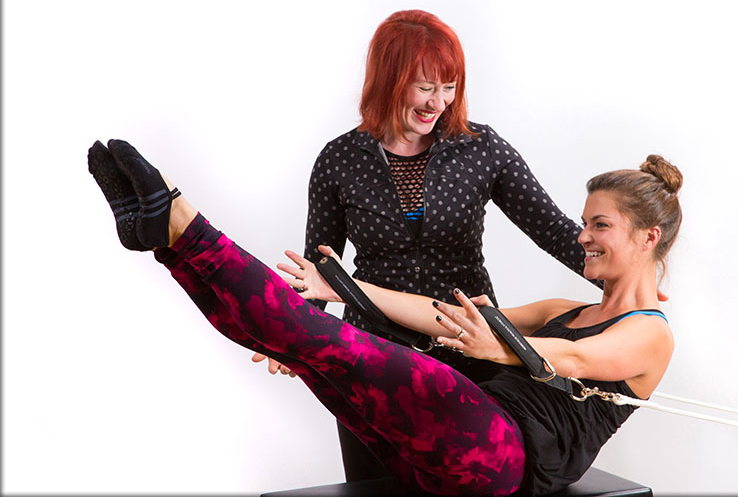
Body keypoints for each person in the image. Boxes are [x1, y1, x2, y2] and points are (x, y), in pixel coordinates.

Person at [87, 138, 681, 496]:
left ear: (648, 237)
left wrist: (499, 347)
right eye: (585, 222)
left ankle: (180, 220)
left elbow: (571, 358)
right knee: (311, 345)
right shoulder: (565, 309)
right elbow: (440, 314)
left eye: (599, 225)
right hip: (455, 443)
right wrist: (342, 288)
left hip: (502, 455)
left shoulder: (651, 335)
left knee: (328, 343)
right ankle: (163, 242)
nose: (583, 236)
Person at [257, 8, 668, 481]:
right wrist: (285, 335)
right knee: (375, 484)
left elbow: (557, 231)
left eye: (449, 87)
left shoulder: (482, 149)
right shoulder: (339, 160)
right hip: (373, 352)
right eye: (426, 87)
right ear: (388, 79)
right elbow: (320, 272)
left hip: (469, 349)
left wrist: (634, 284)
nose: (439, 102)